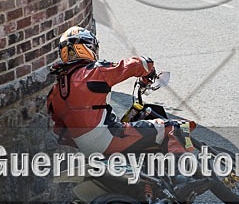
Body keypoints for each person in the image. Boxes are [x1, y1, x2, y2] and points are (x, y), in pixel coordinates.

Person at [47, 25, 194, 161]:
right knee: (171, 127)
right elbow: (133, 66)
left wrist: (85, 140)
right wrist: (148, 68)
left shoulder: (56, 90)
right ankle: (185, 173)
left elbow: (60, 131)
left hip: (86, 150)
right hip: (109, 137)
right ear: (88, 47)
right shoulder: (94, 71)